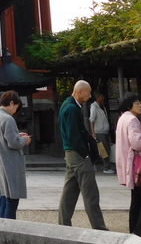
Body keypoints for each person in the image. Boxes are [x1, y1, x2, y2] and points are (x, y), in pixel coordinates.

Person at [58, 80, 108, 230]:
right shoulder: (72, 108)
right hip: (77, 154)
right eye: (89, 92)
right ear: (80, 91)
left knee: (70, 191)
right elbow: (74, 135)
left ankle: (63, 224)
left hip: (70, 153)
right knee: (90, 191)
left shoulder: (66, 105)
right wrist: (85, 154)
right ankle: (99, 227)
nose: (90, 95)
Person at [115, 93, 141, 239]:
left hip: (129, 164)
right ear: (129, 105)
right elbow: (137, 143)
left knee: (137, 200)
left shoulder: (122, 118)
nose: (140, 105)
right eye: (137, 102)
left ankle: (134, 232)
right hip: (138, 165)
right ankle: (140, 233)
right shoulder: (132, 119)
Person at [0, 90, 31, 219]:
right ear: (12, 103)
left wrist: (18, 135)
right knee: (12, 200)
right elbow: (13, 143)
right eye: (16, 108)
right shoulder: (8, 119)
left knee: (3, 197)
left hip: (1, 162)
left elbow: (5, 138)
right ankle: (10, 228)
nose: (15, 111)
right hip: (10, 164)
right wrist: (24, 140)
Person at [90, 91, 114, 174]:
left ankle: (98, 164)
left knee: (104, 149)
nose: (103, 98)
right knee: (104, 149)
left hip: (104, 131)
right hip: (99, 131)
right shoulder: (94, 107)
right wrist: (93, 131)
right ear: (97, 98)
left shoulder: (102, 107)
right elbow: (92, 119)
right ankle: (106, 167)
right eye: (101, 97)